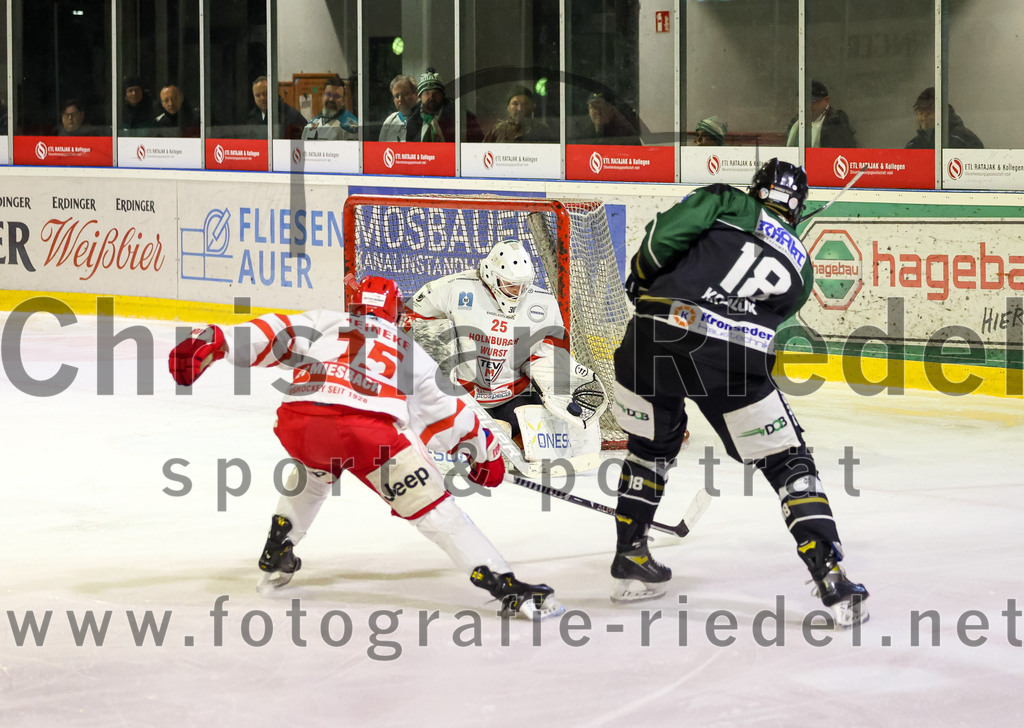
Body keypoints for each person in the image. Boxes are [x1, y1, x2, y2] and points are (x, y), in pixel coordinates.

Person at [167, 276, 563, 620]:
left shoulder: (325, 321)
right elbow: (446, 410)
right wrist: (482, 453)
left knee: (314, 472)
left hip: (300, 422)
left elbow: (271, 332)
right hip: (367, 434)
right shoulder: (408, 349)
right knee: (438, 511)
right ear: (395, 313)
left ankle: (279, 545)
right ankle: (505, 585)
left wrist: (217, 341)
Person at [609, 159, 869, 628]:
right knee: (787, 461)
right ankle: (830, 575)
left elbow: (661, 238)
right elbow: (777, 313)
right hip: (731, 356)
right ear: (798, 208)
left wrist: (643, 280)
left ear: (757, 189)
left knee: (649, 447)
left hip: (652, 335)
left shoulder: (726, 200)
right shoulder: (802, 266)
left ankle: (631, 555)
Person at [406, 240, 607, 442]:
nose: (518, 292)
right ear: (491, 275)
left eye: (523, 286)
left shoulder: (543, 302)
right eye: (511, 285)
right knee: (457, 437)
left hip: (513, 394)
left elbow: (549, 352)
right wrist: (434, 368)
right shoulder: (454, 288)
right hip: (462, 395)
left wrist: (557, 385)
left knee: (540, 432)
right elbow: (407, 318)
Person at [405, 68, 483, 143]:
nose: (431, 97)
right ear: (420, 96)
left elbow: (476, 145)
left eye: (436, 93)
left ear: (443, 95)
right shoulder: (412, 121)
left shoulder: (461, 117)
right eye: (427, 93)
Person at [905, 87, 983, 150]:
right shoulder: (913, 146)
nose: (924, 115)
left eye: (929, 109)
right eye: (920, 111)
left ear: (943, 111)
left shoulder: (962, 139)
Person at [786, 80, 857, 148]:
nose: (807, 105)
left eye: (813, 100)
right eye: (802, 101)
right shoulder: (795, 122)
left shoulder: (836, 121)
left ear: (826, 100)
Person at [482, 85, 556, 143]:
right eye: (515, 104)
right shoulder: (497, 131)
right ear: (508, 107)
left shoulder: (542, 131)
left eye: (525, 104)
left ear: (533, 107)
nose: (520, 109)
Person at [301, 75, 358, 140]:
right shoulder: (309, 126)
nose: (331, 99)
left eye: (336, 96)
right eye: (328, 94)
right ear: (323, 96)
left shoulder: (350, 128)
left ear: (343, 101)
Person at [378, 74, 418, 142]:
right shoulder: (390, 122)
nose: (400, 99)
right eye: (397, 96)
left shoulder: (425, 120)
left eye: (405, 94)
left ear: (416, 94)